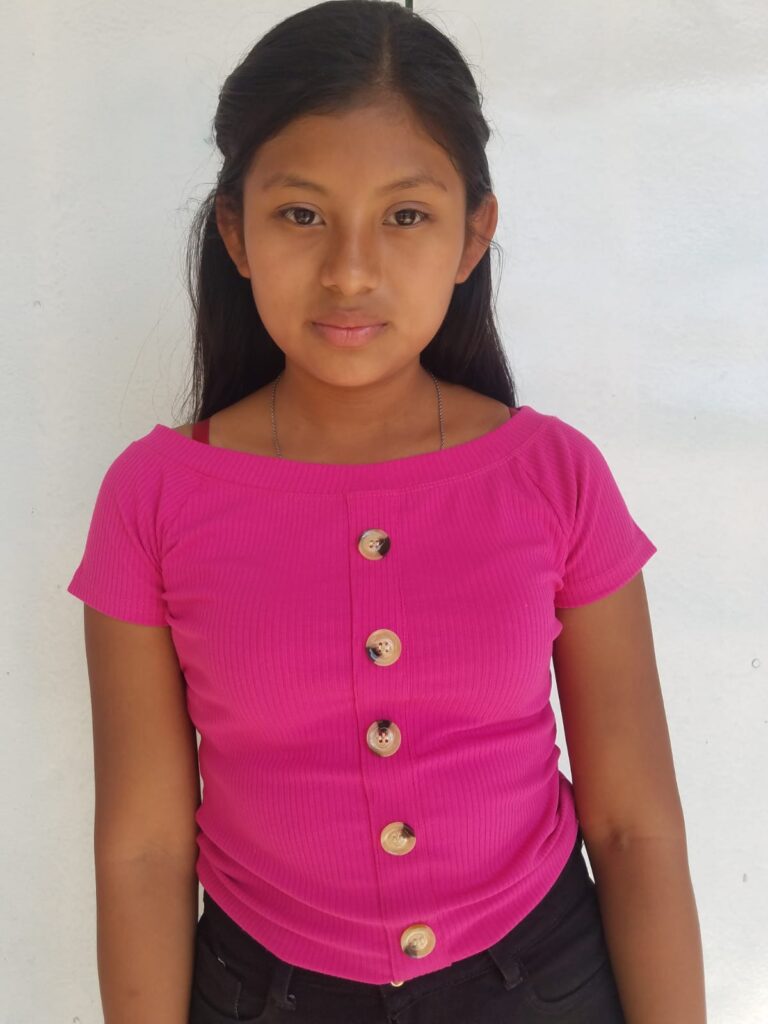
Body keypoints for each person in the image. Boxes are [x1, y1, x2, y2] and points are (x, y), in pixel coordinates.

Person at [67, 2, 706, 1022]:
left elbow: (635, 825)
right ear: (234, 230)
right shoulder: (155, 497)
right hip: (262, 991)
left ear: (472, 236)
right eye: (301, 214)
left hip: (541, 982)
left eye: (405, 215)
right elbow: (143, 847)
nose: (350, 270)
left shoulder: (554, 476)